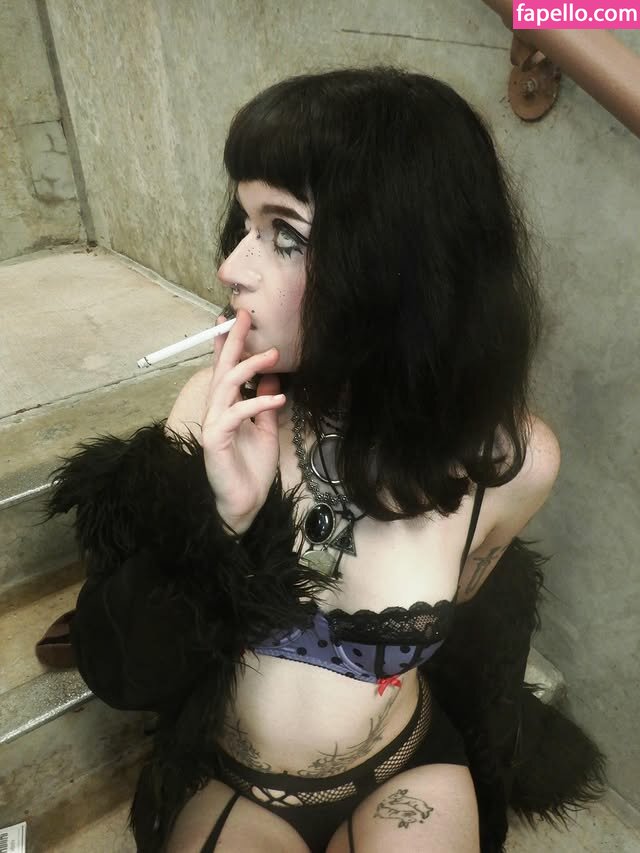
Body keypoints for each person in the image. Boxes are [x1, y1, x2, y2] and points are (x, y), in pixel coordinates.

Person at [45, 66, 605, 853]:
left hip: (407, 767)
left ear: (399, 268)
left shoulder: (514, 461)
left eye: (285, 234)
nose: (231, 268)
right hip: (239, 780)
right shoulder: (215, 410)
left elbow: (473, 608)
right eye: (245, 222)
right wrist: (221, 519)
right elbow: (125, 672)